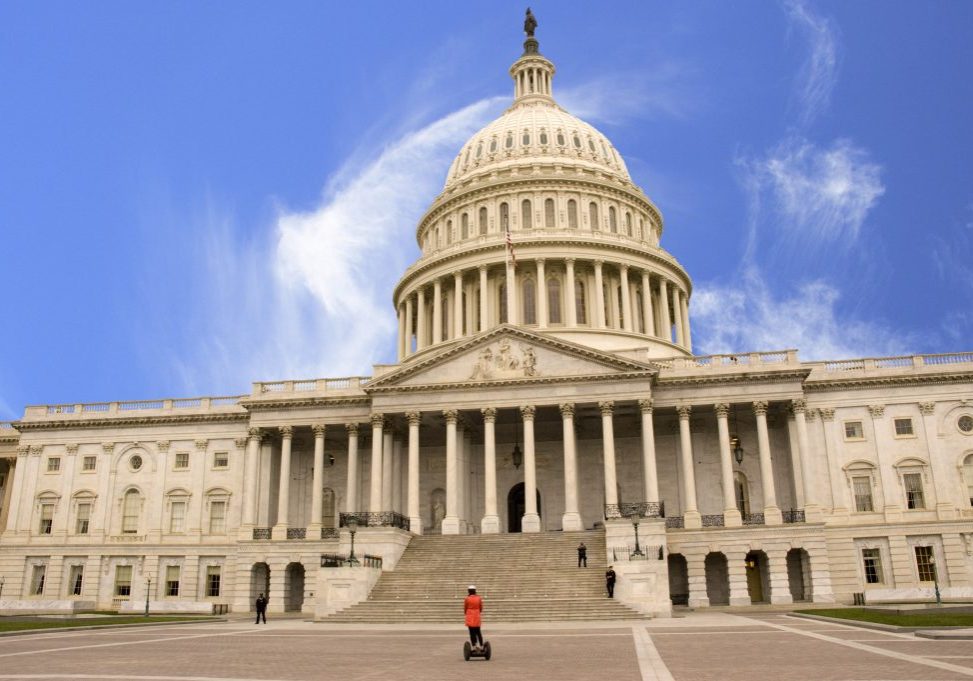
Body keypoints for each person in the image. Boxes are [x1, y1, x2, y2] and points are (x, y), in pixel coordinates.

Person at [464, 585, 484, 651]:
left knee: (471, 632)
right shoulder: (479, 598)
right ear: (475, 591)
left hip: (469, 616)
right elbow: (481, 607)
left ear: (469, 591)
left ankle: (474, 646)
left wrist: (466, 613)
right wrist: (478, 612)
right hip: (476, 616)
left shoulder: (467, 598)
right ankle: (481, 645)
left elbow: (465, 608)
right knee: (478, 632)